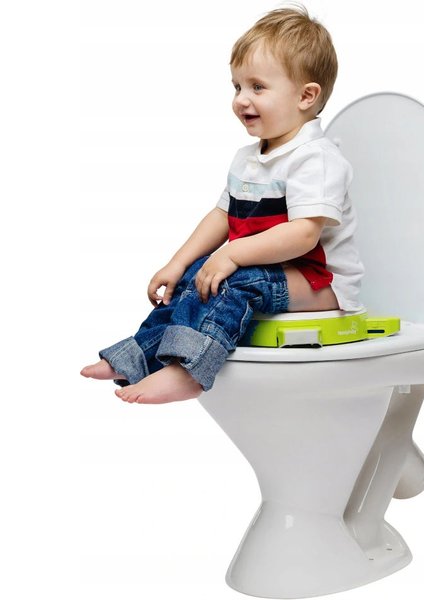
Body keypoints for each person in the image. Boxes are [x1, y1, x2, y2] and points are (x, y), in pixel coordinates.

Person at [80, 5, 364, 404]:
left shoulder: (315, 158)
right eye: (237, 87)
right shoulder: (248, 158)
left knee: (231, 278)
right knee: (199, 275)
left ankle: (190, 370)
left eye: (257, 87)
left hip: (321, 282)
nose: (241, 99)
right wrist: (178, 263)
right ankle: (139, 357)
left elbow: (303, 235)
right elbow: (222, 215)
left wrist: (231, 254)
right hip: (269, 273)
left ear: (306, 96)